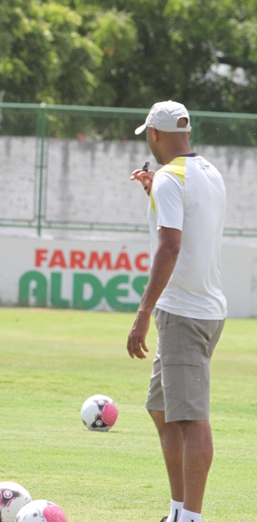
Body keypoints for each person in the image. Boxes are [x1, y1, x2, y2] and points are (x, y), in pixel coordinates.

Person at [127, 100, 227, 522]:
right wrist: (155, 191)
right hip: (198, 306)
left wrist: (142, 311)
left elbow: (170, 245)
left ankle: (191, 517)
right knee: (161, 408)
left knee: (190, 419)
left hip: (184, 312)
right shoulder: (207, 171)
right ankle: (177, 509)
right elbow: (192, 220)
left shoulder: (171, 178)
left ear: (154, 134)